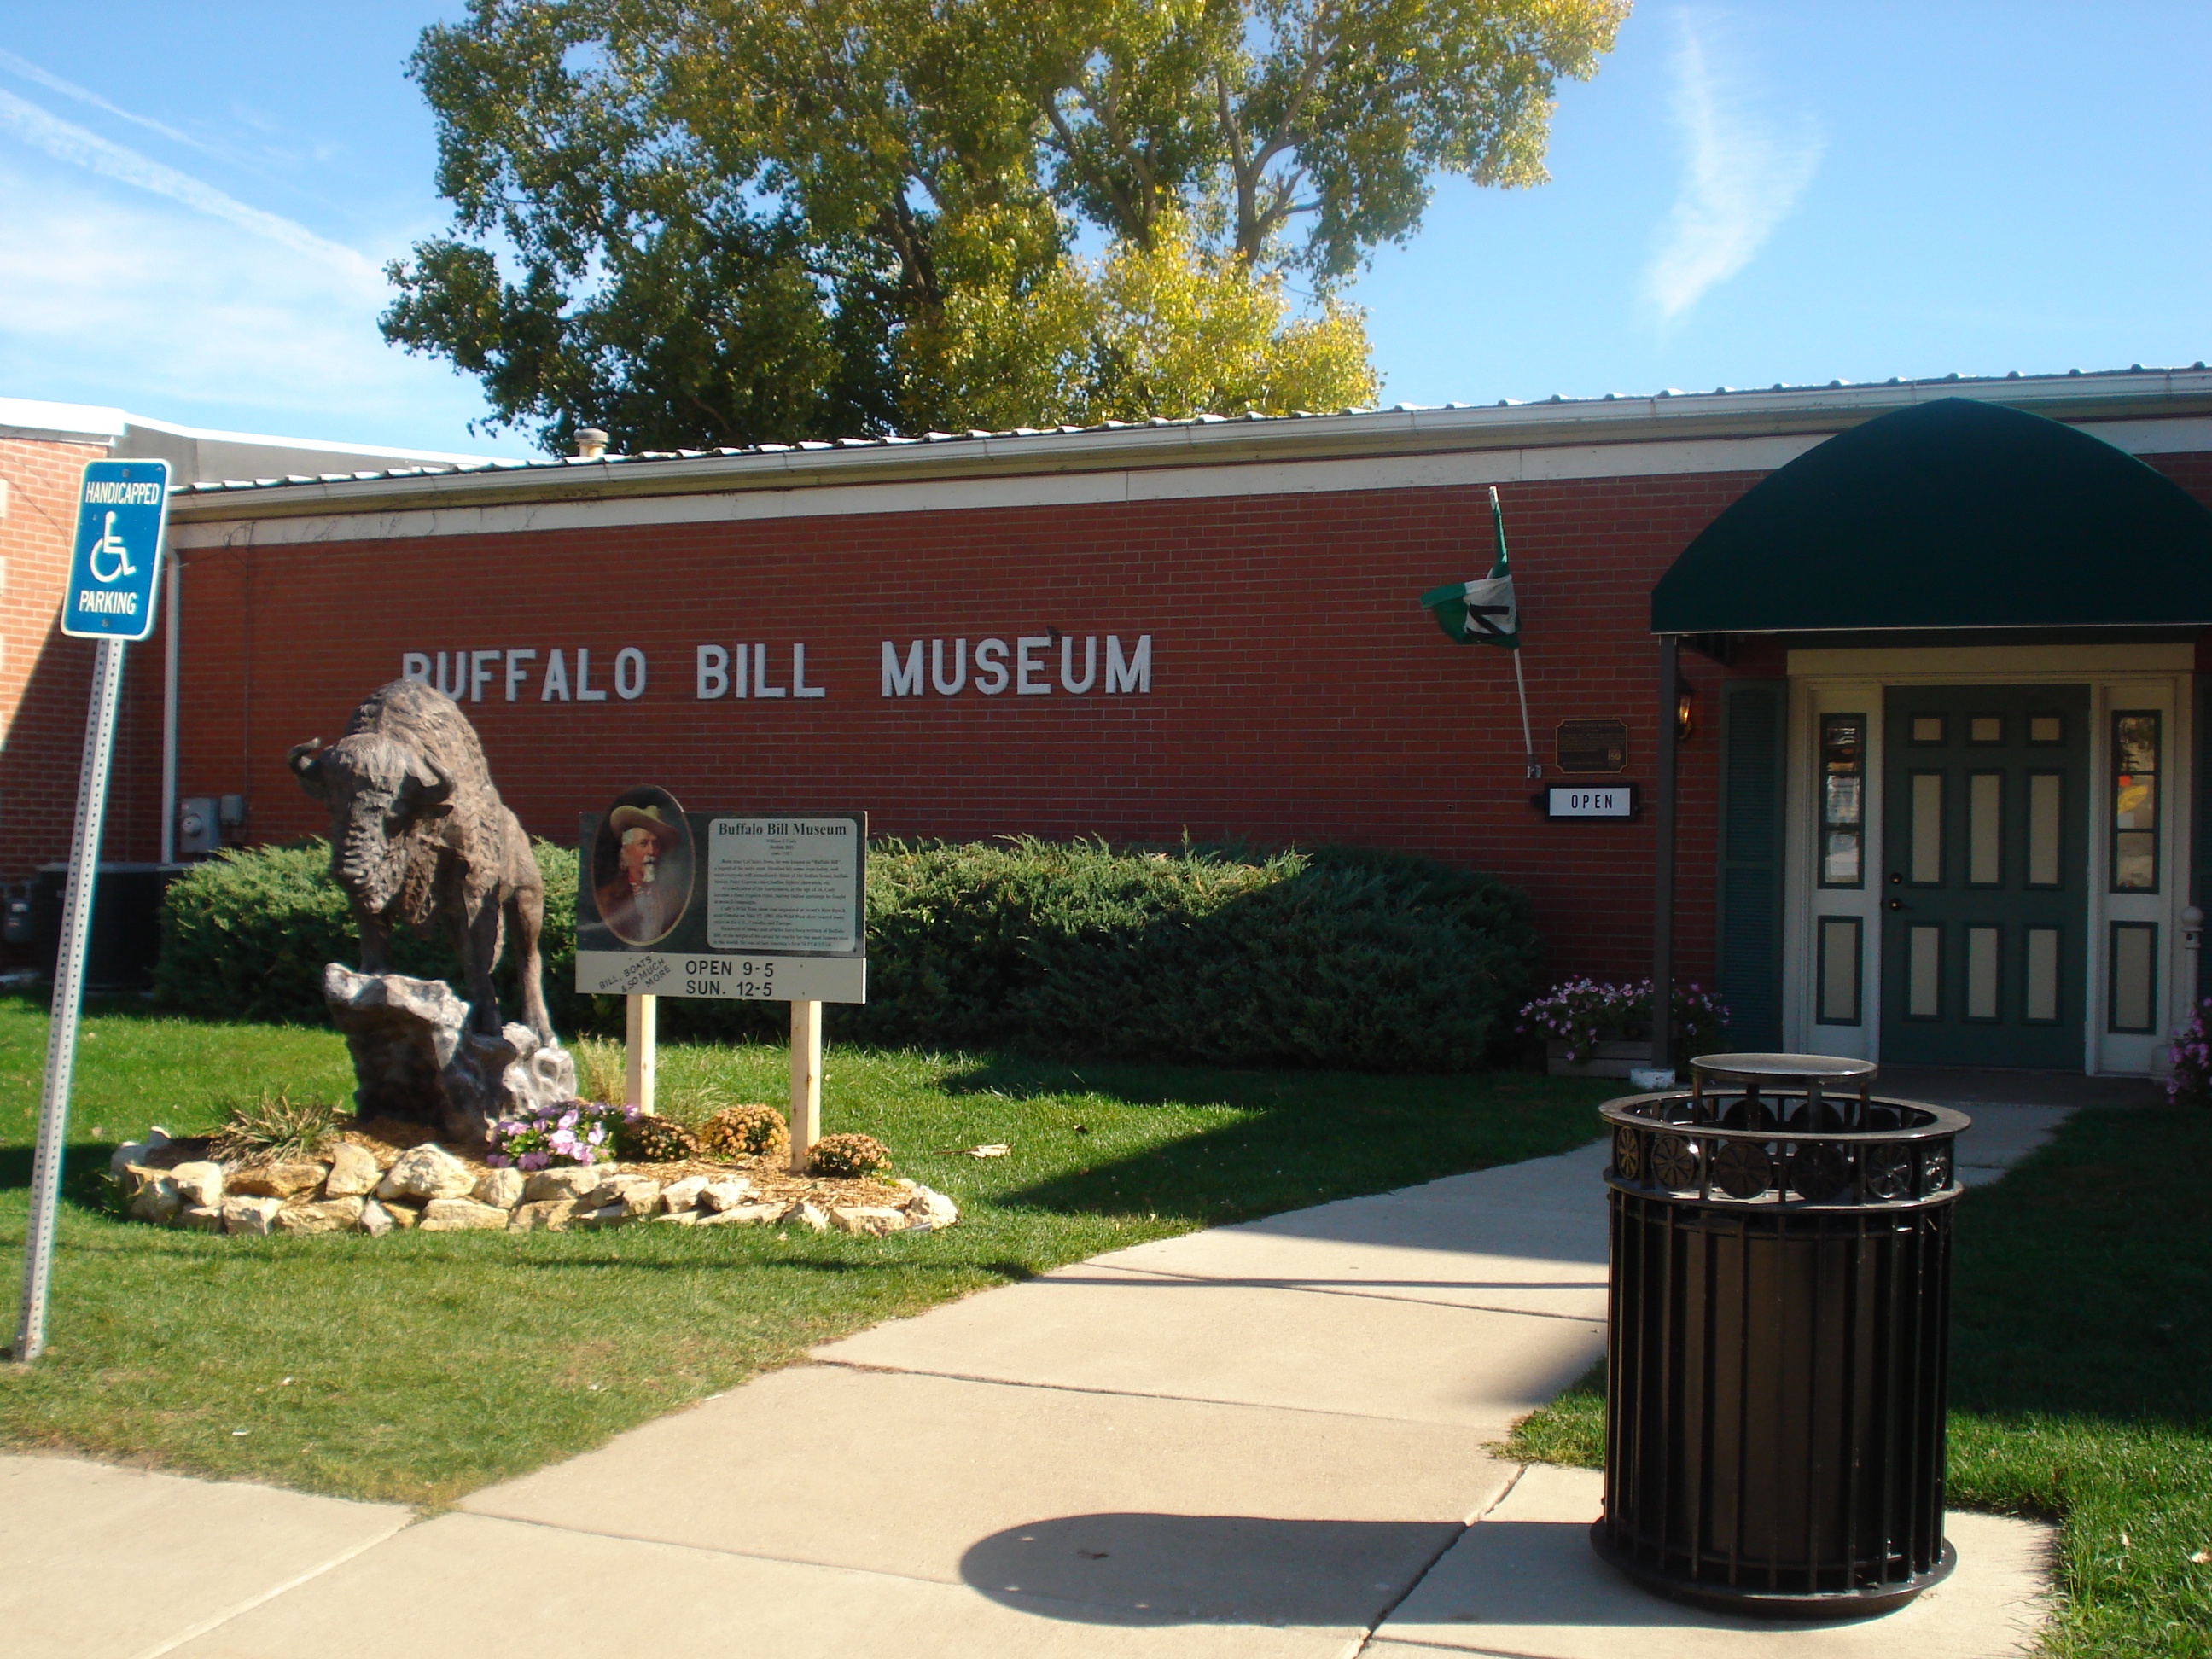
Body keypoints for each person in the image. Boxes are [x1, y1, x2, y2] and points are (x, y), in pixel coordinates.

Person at [596, 803, 685, 944]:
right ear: (626, 851)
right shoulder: (606, 899)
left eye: (655, 845)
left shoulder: (673, 898)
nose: (651, 852)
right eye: (643, 844)